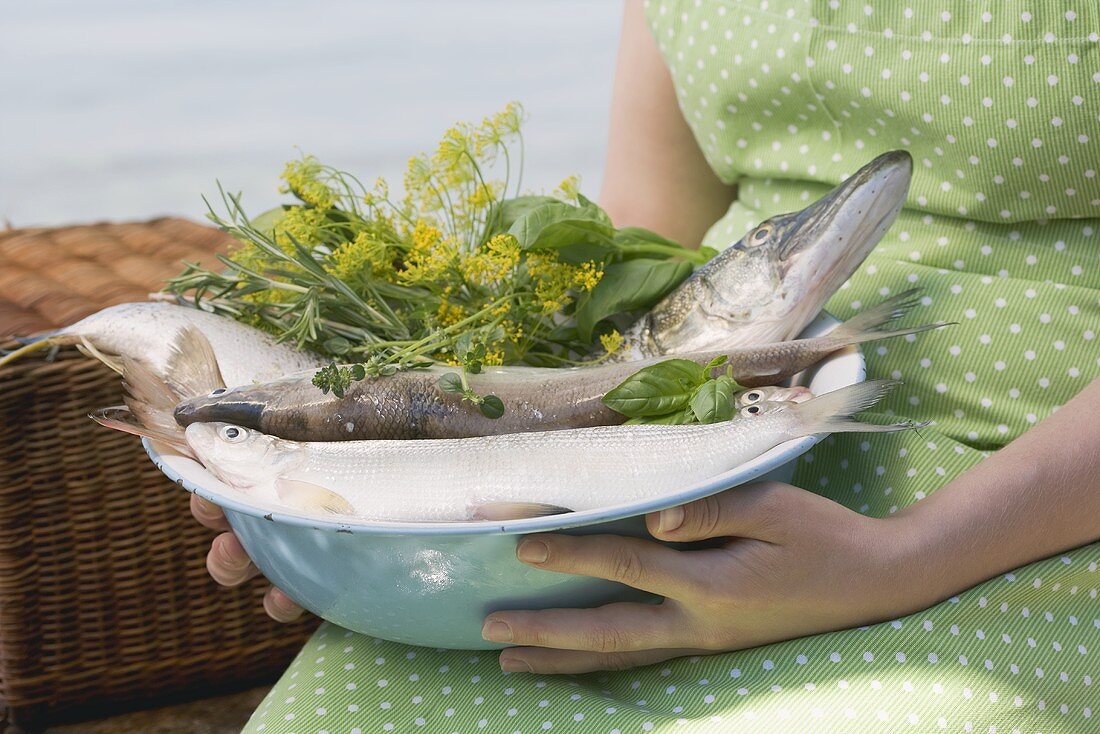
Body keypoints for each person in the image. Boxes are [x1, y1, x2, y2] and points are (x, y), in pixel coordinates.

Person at [197, 2, 1099, 731]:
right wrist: (357, 508)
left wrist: (901, 559)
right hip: (669, 481)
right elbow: (640, 241)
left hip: (1025, 506)